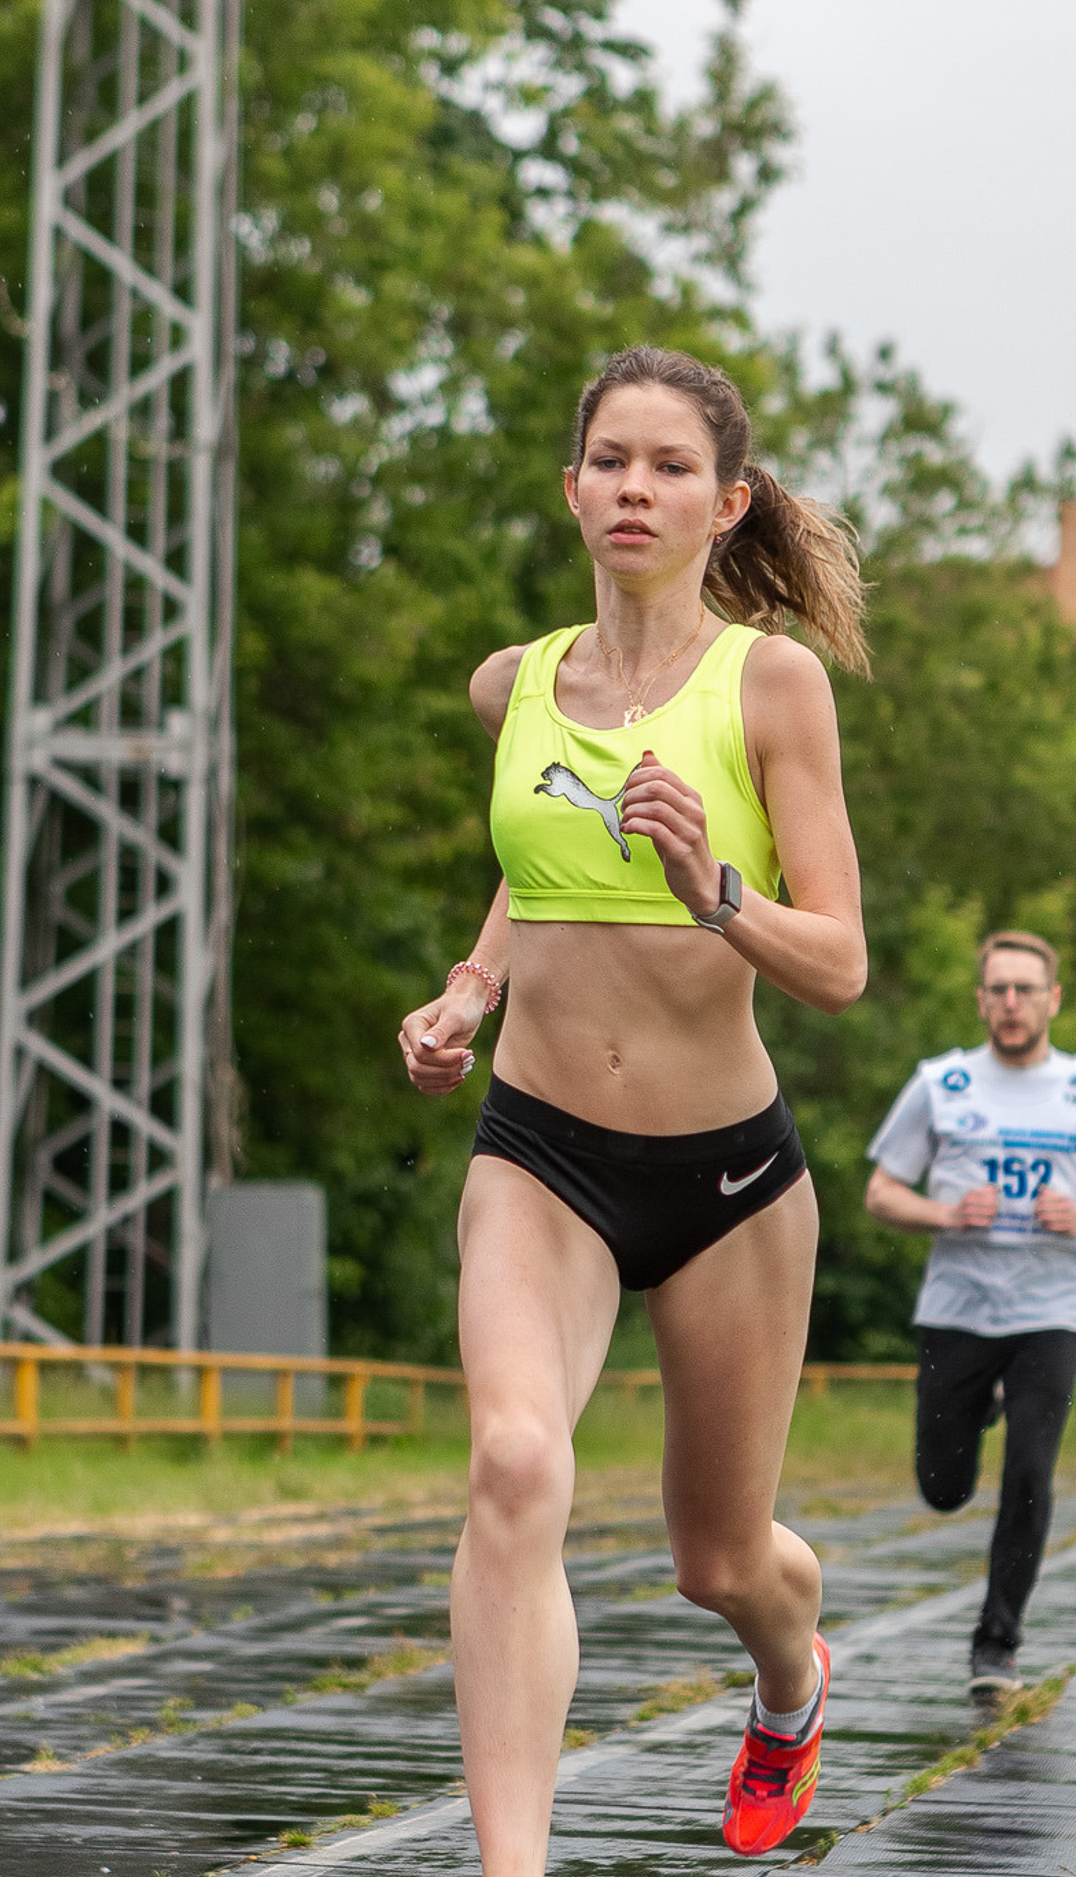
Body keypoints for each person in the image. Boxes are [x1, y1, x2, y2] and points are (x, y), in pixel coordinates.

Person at [398, 346, 871, 1870]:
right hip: (542, 1157)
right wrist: (472, 990)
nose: (635, 489)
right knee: (516, 1464)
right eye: (611, 460)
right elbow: (536, 861)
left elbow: (842, 964)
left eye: (671, 467)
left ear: (727, 504)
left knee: (720, 1559)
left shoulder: (771, 685)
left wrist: (712, 891)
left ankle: (792, 1685)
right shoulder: (514, 686)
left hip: (728, 1179)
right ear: (572, 485)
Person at [863, 930, 1076, 1697]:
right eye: (997, 989)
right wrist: (943, 1211)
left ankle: (997, 1644)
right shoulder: (942, 1083)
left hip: (1049, 1312)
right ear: (980, 1000)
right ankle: (980, 1406)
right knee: (942, 1486)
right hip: (958, 1308)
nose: (1010, 1003)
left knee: (1030, 1473)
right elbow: (880, 1193)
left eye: (1025, 989)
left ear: (1053, 999)